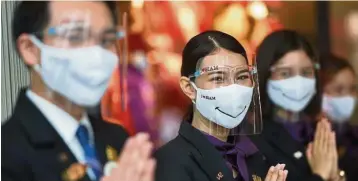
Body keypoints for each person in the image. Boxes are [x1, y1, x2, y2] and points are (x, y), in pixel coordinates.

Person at [2, 1, 155, 181]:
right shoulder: (6, 151)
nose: (96, 55)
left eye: (106, 40)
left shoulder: (117, 138)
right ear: (30, 49)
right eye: (75, 37)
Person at [154, 30, 288, 181]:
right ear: (189, 87)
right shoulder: (170, 162)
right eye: (218, 78)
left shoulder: (254, 153)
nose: (233, 89)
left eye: (242, 76)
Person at [249, 30, 343, 181]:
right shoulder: (252, 139)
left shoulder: (320, 131)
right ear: (264, 74)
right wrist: (320, 176)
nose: (298, 82)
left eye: (306, 72)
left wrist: (337, 176)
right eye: (285, 73)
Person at [320, 53, 358, 181]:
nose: (348, 97)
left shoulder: (353, 137)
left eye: (353, 89)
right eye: (339, 90)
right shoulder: (304, 139)